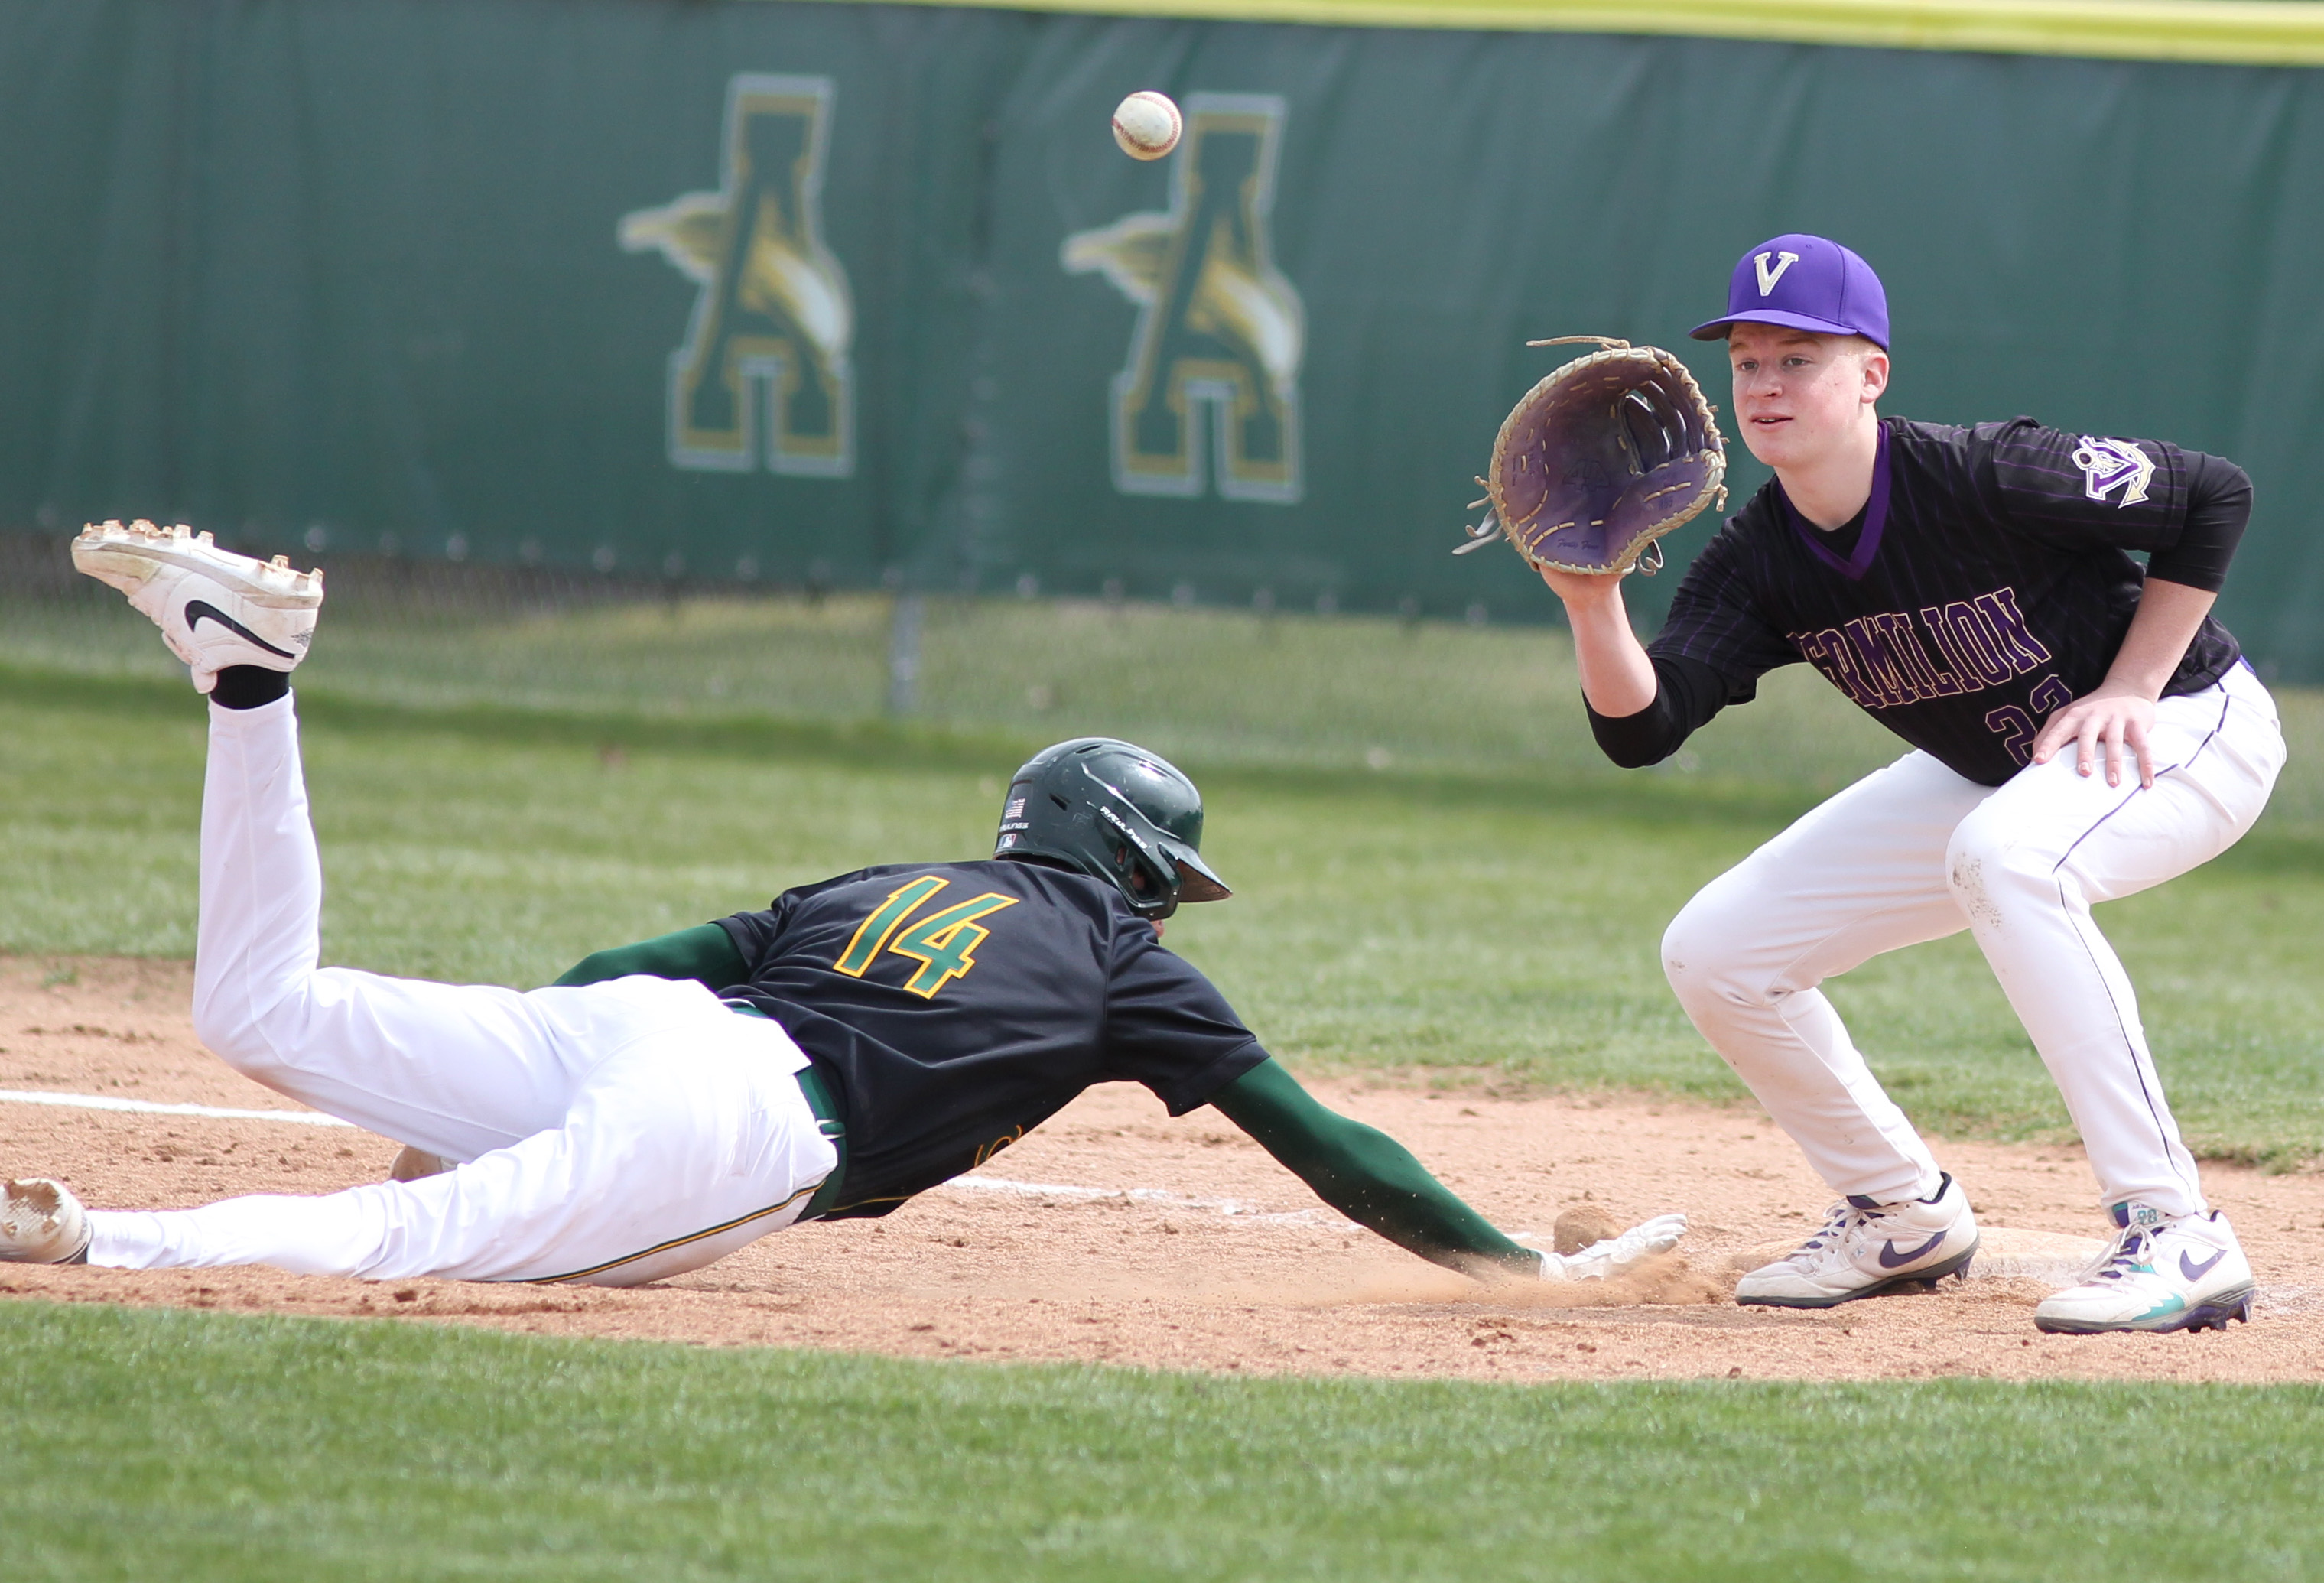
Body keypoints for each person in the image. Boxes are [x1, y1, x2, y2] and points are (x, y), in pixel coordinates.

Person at [0, 520, 1686, 1287]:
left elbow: (634, 964)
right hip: (736, 1129)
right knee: (414, 1241)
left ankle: (251, 690)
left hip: (639, 1032)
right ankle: (92, 1236)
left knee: (261, 1011)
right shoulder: (1115, 960)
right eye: (1164, 879)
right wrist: (1508, 1263)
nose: (1169, 912)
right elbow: (1327, 1142)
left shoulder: (892, 877)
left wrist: (497, 1078)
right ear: (1122, 859)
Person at [1526, 235, 2284, 1335]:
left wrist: (2133, 682)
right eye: (1749, 361)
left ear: (1871, 372)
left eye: (1801, 358)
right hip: (2004, 769)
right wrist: (1590, 603)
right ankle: (1899, 1213)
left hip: (2190, 725)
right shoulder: (1758, 561)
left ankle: (2179, 1231)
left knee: (2008, 854)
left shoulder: (1985, 473)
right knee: (1718, 950)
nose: (1768, 385)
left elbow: (2211, 493)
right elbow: (1647, 728)